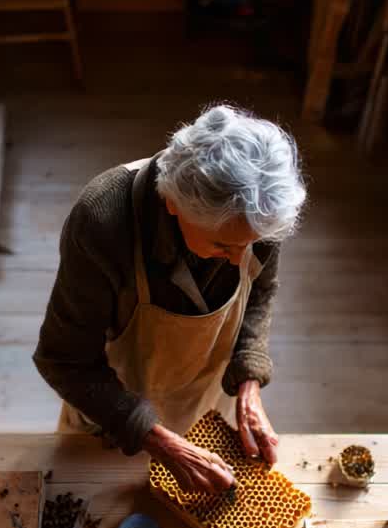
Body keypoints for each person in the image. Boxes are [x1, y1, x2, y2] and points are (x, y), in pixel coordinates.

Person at [34, 105, 306, 494]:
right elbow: (63, 359)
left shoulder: (257, 211)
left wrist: (248, 382)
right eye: (222, 246)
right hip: (112, 415)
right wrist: (155, 439)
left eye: (249, 245)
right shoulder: (103, 221)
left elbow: (260, 292)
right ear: (173, 204)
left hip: (205, 403)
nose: (238, 259)